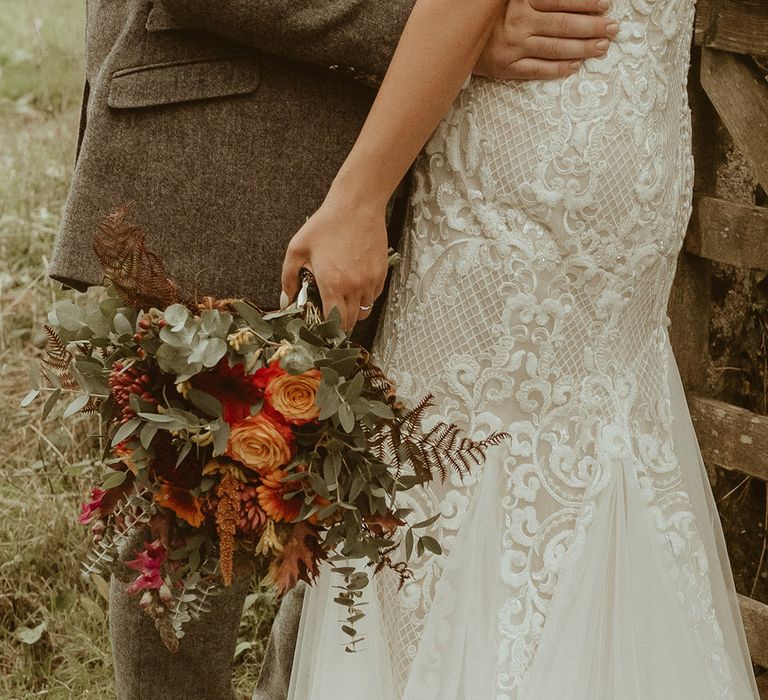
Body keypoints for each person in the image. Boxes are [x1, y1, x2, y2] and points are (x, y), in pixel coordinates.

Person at [46, 1, 618, 698]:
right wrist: (439, 33)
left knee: (337, 583)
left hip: (429, 188)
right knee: (181, 574)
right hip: (211, 167)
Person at [280, 0, 762, 697]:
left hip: (530, 157)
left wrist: (358, 196)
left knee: (464, 491)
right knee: (587, 472)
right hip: (638, 146)